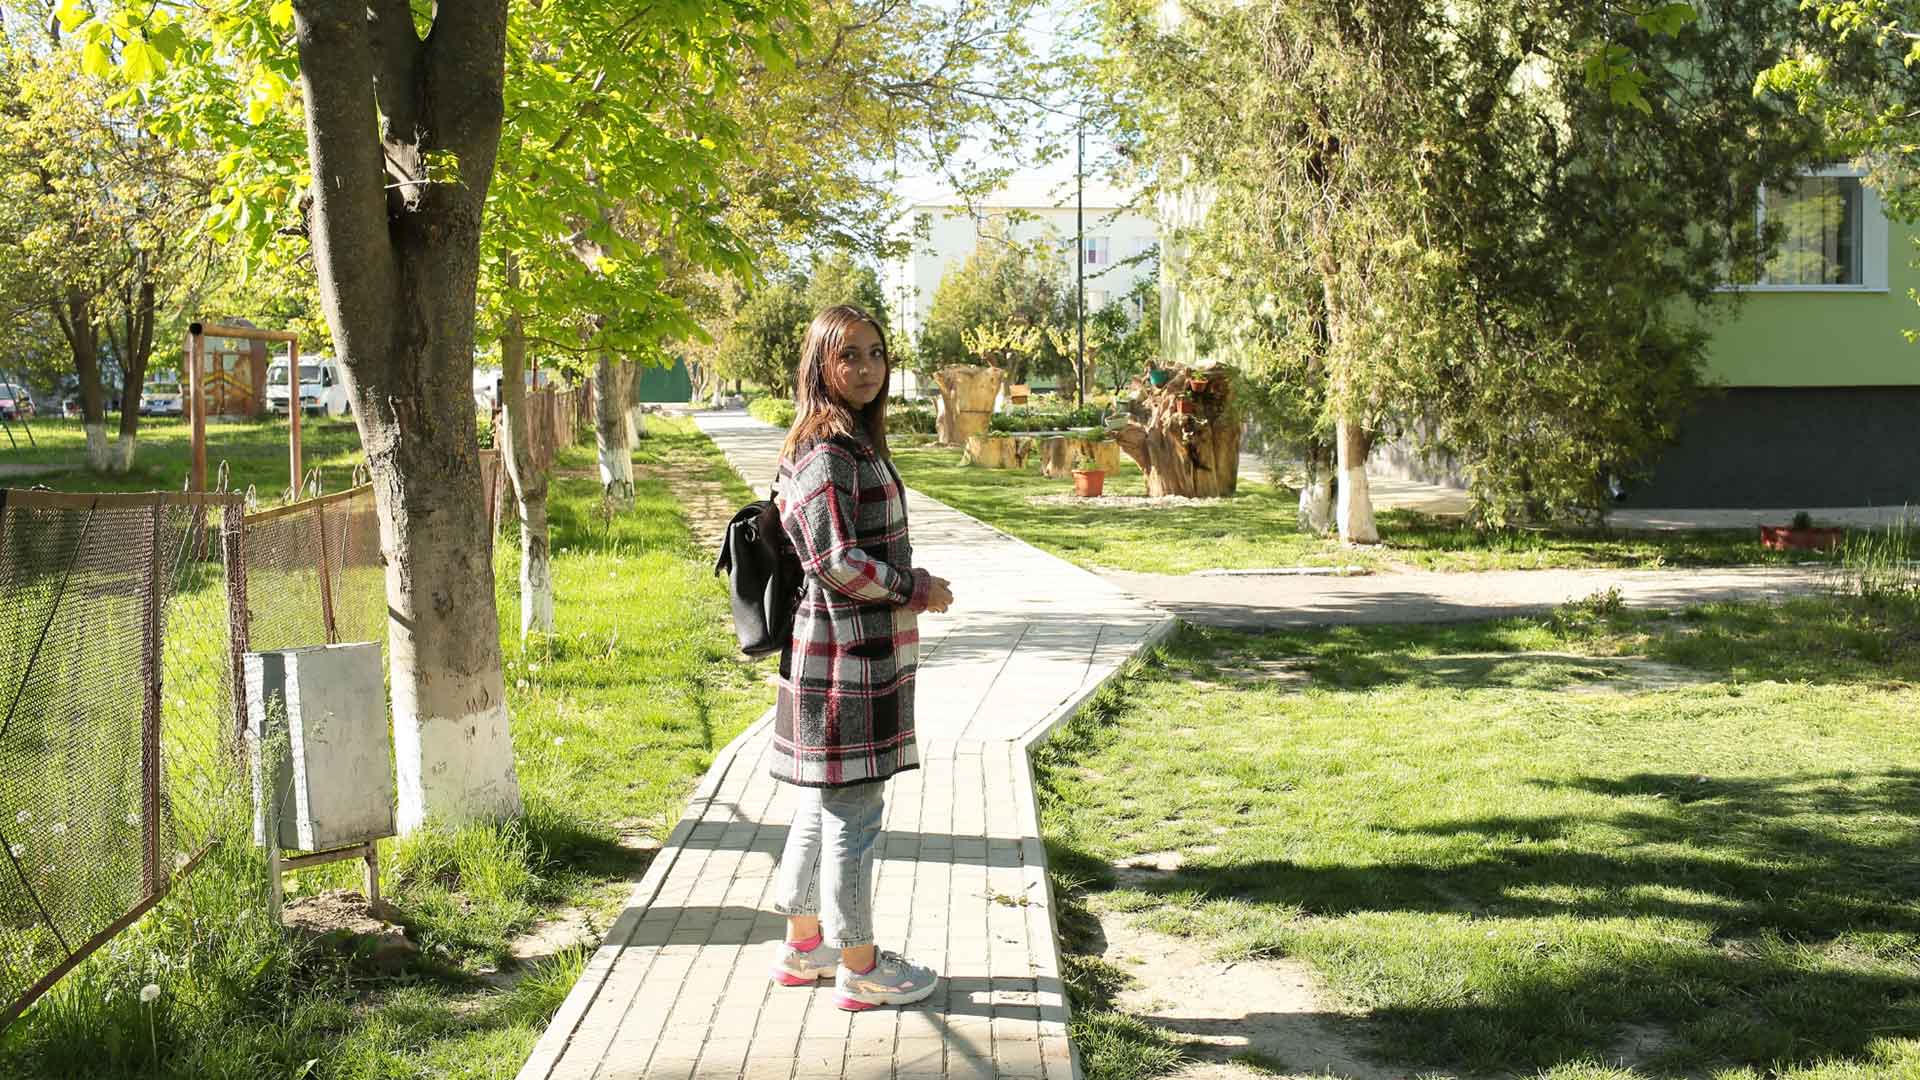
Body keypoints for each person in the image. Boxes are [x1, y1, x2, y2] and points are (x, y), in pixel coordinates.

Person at [766, 304, 954, 1011]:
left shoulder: (850, 442)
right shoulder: (827, 451)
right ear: (820, 364)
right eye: (849, 355)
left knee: (826, 803)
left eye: (876, 353)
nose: (867, 368)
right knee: (856, 815)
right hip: (845, 659)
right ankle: (861, 964)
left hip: (855, 652)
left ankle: (805, 944)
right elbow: (836, 560)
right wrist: (916, 589)